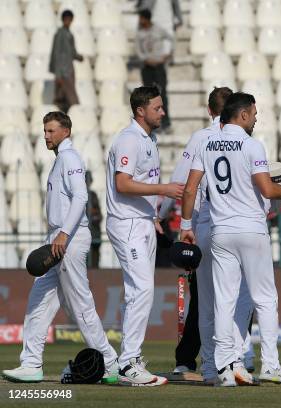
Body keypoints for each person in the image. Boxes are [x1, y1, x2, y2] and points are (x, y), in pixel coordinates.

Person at [180, 92, 281, 386]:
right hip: (251, 230)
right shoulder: (252, 144)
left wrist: (185, 225)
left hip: (220, 231)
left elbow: (190, 189)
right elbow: (267, 190)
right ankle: (270, 364)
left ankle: (224, 368)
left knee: (223, 302)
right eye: (254, 114)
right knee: (265, 299)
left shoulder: (206, 143)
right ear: (241, 115)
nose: (256, 118)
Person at [2, 112, 118, 384]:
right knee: (37, 303)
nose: (46, 136)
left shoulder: (70, 158)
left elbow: (81, 196)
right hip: (57, 238)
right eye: (44, 131)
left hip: (68, 240)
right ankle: (31, 364)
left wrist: (64, 234)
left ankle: (110, 363)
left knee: (80, 305)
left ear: (66, 131)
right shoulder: (60, 160)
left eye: (51, 131)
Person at [159, 87, 255, 384]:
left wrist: (163, 217)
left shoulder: (202, 138)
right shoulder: (246, 140)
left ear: (210, 110)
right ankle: (240, 359)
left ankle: (213, 365)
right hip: (238, 224)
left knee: (206, 299)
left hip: (204, 225)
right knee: (239, 295)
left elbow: (181, 183)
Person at [105, 86, 184, 386]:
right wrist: (163, 190)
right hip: (126, 224)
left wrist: (153, 216)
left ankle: (131, 359)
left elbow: (141, 183)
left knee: (139, 291)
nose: (163, 112)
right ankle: (128, 365)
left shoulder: (149, 138)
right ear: (141, 110)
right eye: (158, 108)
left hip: (142, 222)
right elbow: (123, 184)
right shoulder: (128, 139)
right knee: (142, 291)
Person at [135, 9, 173, 132]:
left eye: (141, 18)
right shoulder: (139, 33)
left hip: (159, 66)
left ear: (146, 19)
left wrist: (168, 55)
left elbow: (171, 39)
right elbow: (138, 51)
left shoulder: (158, 29)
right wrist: (145, 59)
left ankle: (166, 123)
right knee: (148, 98)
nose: (139, 21)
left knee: (162, 95)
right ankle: (152, 124)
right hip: (147, 67)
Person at [49, 10, 83, 113]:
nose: (68, 21)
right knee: (72, 100)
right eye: (66, 19)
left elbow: (71, 52)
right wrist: (58, 74)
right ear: (63, 20)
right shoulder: (60, 34)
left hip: (68, 69)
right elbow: (57, 54)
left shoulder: (68, 34)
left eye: (69, 19)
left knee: (62, 99)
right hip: (64, 72)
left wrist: (78, 57)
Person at [85, 171, 102, 269]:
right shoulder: (80, 195)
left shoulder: (93, 195)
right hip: (85, 232)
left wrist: (93, 212)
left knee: (95, 260)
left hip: (94, 231)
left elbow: (98, 214)